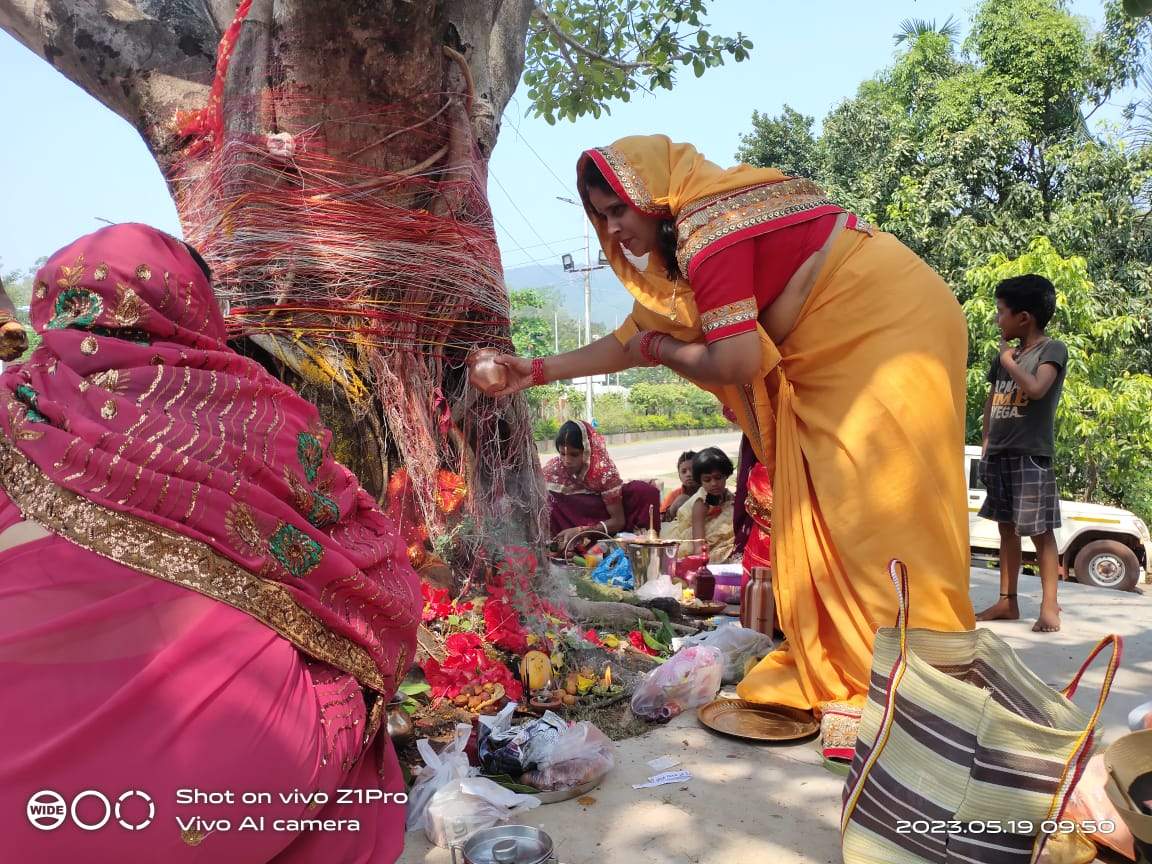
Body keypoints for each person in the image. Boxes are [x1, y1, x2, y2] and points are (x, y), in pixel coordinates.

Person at [470, 135, 974, 760]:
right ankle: (864, 667)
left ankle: (921, 687)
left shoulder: (710, 233)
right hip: (843, 341)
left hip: (886, 325)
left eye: (620, 209)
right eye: (601, 216)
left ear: (654, 195)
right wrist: (535, 371)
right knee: (827, 513)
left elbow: (732, 360)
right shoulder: (683, 254)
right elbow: (629, 339)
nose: (613, 229)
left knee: (878, 515)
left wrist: (657, 351)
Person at [0, 224, 420, 863]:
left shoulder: (15, 411)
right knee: (346, 672)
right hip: (228, 790)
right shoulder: (246, 407)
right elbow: (365, 556)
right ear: (192, 303)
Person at [974, 274, 1068, 633]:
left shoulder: (1051, 350)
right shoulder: (1005, 358)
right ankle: (1007, 601)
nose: (998, 320)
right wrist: (986, 443)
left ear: (1024, 318)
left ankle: (1049, 606)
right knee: (1006, 528)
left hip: (1030, 454)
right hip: (1000, 452)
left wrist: (1009, 361)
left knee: (1039, 531)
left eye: (1002, 312)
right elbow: (992, 400)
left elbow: (1037, 388)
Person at [545, 419, 660, 554]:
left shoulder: (602, 472)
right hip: (567, 528)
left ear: (588, 450)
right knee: (548, 497)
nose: (567, 461)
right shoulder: (553, 469)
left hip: (602, 529)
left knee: (643, 491)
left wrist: (581, 531)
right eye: (562, 454)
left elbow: (618, 521)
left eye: (574, 454)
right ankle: (562, 546)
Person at [664, 447, 736, 563]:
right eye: (707, 480)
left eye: (718, 478)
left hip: (713, 536)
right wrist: (702, 562)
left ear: (726, 475)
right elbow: (698, 543)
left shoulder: (728, 496)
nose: (714, 483)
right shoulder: (701, 502)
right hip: (694, 538)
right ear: (700, 481)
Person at [660, 450, 699, 521]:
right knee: (682, 499)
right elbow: (661, 518)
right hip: (677, 526)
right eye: (684, 472)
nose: (688, 474)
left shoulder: (709, 491)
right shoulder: (674, 495)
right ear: (679, 476)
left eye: (692, 470)